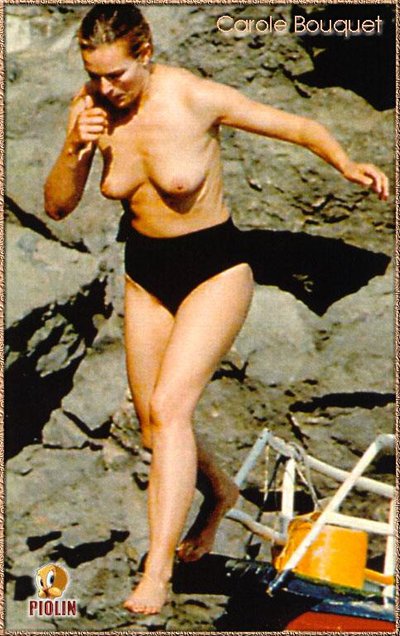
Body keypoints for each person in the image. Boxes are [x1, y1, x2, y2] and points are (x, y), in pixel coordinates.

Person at [44, 5, 389, 616]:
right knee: (153, 425)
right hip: (146, 273)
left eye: (116, 74)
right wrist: (75, 145)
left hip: (216, 268)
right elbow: (57, 207)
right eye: (94, 75)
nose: (105, 88)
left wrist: (346, 163)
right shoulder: (91, 108)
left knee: (172, 408)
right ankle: (220, 491)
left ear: (145, 52)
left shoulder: (193, 97)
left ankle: (157, 573)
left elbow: (298, 126)